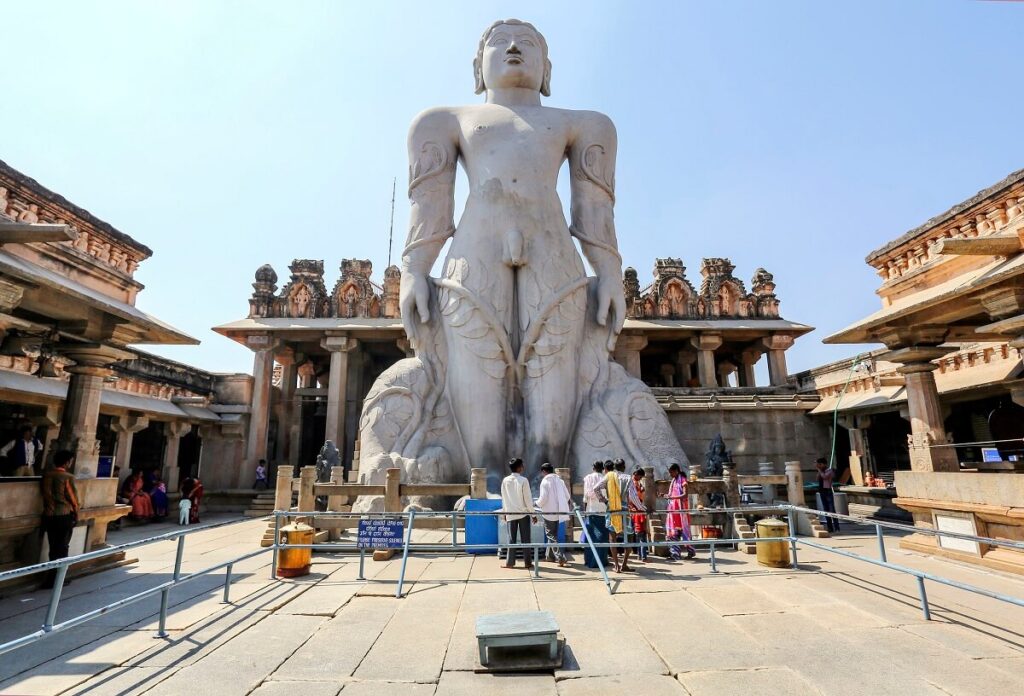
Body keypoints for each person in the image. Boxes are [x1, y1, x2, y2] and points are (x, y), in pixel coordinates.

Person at [40, 450, 80, 588]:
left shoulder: (47, 476)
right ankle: (58, 579)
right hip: (64, 515)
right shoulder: (67, 477)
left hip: (49, 515)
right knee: (62, 547)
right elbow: (73, 498)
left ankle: (50, 578)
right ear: (67, 462)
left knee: (53, 548)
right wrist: (77, 513)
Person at [594, 460, 633, 572]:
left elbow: (596, 488)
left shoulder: (609, 476)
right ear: (624, 467)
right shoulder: (628, 478)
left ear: (614, 467)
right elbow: (633, 496)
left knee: (612, 538)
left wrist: (605, 501)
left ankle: (616, 566)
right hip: (624, 510)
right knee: (629, 537)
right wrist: (642, 508)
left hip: (612, 509)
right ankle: (624, 564)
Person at [500, 458, 535, 569]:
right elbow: (528, 499)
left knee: (511, 539)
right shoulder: (523, 480)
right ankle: (528, 563)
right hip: (523, 514)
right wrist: (533, 514)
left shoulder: (505, 480)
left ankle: (510, 563)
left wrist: (504, 513)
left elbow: (504, 498)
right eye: (522, 466)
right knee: (526, 539)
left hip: (510, 513)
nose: (523, 467)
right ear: (519, 468)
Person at [536, 462, 572, 567]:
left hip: (548, 512)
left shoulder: (545, 482)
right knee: (553, 535)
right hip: (559, 512)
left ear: (544, 471)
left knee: (550, 535)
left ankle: (560, 557)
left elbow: (543, 498)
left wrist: (536, 503)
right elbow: (567, 496)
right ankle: (549, 556)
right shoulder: (560, 481)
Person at [664, 463, 696, 560]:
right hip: (673, 511)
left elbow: (685, 494)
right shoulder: (673, 481)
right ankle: (675, 554)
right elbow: (672, 495)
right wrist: (666, 496)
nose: (670, 474)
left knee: (685, 531)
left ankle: (691, 551)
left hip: (681, 511)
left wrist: (672, 497)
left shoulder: (683, 480)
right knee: (673, 532)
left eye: (671, 472)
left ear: (676, 471)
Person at [629, 467, 649, 562]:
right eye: (640, 477)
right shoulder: (633, 483)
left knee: (637, 534)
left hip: (634, 510)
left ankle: (639, 554)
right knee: (641, 534)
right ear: (636, 474)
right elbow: (636, 497)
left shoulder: (636, 483)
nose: (640, 479)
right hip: (637, 510)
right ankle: (643, 556)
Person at [815, 457, 839, 532]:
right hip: (822, 491)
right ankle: (830, 527)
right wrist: (819, 471)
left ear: (824, 464)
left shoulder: (829, 470)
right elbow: (817, 478)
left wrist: (819, 470)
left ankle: (836, 527)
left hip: (828, 491)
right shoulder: (821, 471)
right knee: (826, 510)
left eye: (820, 464)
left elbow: (825, 477)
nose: (819, 466)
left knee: (832, 509)